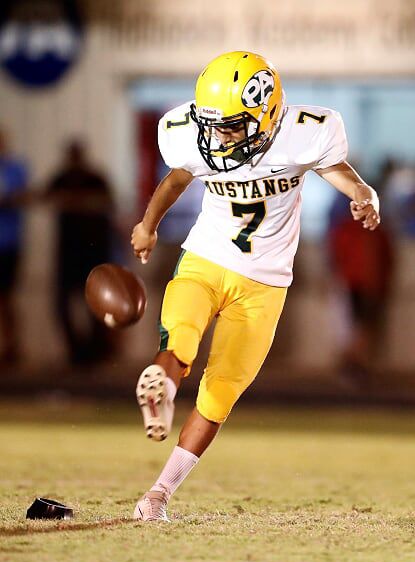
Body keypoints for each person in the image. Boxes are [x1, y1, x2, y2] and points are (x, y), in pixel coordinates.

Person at [130, 51, 380, 521]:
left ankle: (160, 489)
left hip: (264, 282)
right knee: (181, 335)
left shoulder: (301, 133)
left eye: (231, 126)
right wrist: (148, 225)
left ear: (266, 114)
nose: (219, 137)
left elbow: (332, 166)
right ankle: (162, 394)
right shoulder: (194, 135)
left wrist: (362, 192)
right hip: (205, 257)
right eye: (212, 125)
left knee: (220, 393)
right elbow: (177, 178)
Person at [44, 139, 115, 366]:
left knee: (95, 303)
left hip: (93, 250)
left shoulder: (95, 178)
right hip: (68, 251)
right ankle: (77, 352)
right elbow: (44, 197)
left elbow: (108, 202)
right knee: (63, 303)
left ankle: (95, 351)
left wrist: (76, 202)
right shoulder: (61, 178)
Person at [327, 190, 394, 378]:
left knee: (364, 327)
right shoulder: (348, 229)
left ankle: (357, 365)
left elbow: (386, 260)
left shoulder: (376, 230)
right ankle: (353, 365)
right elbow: (337, 258)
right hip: (353, 285)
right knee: (355, 328)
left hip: (368, 286)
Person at [0, 127, 29, 367]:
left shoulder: (15, 168)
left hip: (7, 242)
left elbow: (23, 196)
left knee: (6, 297)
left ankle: (12, 346)